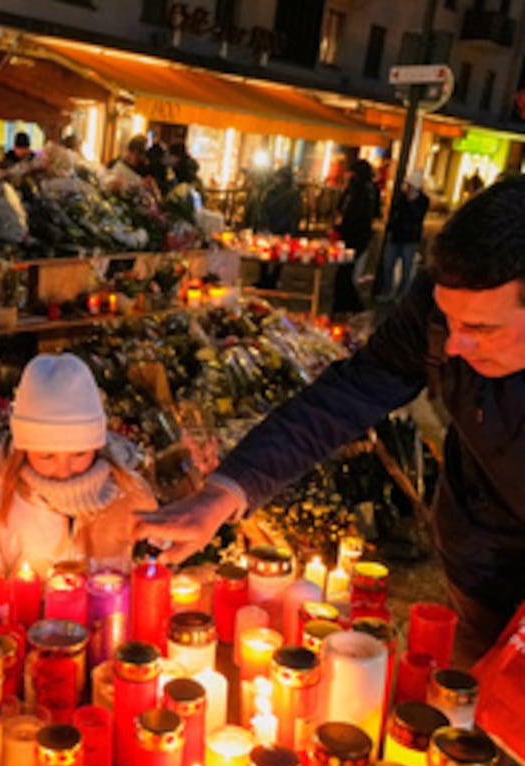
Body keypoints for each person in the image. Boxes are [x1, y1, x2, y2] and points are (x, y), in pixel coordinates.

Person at [135, 176, 525, 669]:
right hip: (482, 567)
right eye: (450, 322)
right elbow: (346, 395)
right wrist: (226, 493)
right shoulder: (438, 312)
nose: (453, 346)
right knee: (486, 714)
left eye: (480, 329)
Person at [0, 353, 157, 578]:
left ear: (98, 445)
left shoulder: (131, 494)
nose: (63, 471)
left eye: (79, 454)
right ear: (23, 449)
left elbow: (155, 570)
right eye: (47, 456)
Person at [331, 158, 379, 315]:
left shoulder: (363, 192)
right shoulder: (358, 190)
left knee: (345, 272)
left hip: (354, 237)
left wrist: (341, 227)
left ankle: (351, 304)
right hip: (353, 235)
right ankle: (344, 303)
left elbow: (356, 215)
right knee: (345, 271)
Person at [378, 170, 430, 302]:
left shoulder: (423, 200)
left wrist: (411, 203)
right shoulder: (402, 197)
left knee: (407, 268)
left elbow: (418, 217)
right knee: (388, 264)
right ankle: (388, 291)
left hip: (410, 238)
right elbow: (396, 213)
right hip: (397, 235)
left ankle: (402, 294)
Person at [253, 165, 302, 290]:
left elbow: (294, 213)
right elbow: (263, 208)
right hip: (270, 226)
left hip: (282, 227)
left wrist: (290, 229)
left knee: (279, 255)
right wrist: (264, 223)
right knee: (264, 253)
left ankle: (273, 279)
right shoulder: (271, 191)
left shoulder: (292, 194)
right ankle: (264, 277)